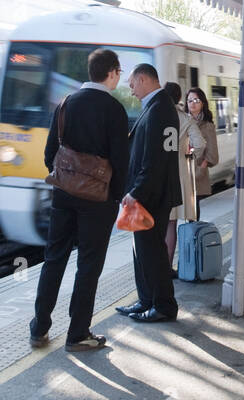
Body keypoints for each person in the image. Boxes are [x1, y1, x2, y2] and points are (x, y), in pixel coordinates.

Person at [30, 48, 129, 351]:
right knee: (88, 264)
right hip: (98, 201)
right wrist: (115, 198)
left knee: (54, 258)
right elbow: (121, 161)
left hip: (63, 194)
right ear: (111, 72)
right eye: (119, 73)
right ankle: (77, 333)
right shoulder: (114, 109)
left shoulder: (65, 104)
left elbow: (50, 154)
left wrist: (66, 180)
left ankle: (39, 327)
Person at [114, 63, 182, 323]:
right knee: (142, 252)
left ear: (143, 79)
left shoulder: (160, 110)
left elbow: (155, 160)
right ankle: (146, 300)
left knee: (152, 253)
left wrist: (137, 191)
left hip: (152, 196)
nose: (131, 91)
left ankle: (164, 305)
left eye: (131, 84)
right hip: (150, 194)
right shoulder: (158, 107)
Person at [164, 81, 196, 276]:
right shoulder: (185, 119)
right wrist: (189, 153)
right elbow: (199, 143)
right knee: (172, 223)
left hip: (160, 174)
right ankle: (167, 266)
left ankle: (156, 264)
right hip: (179, 176)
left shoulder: (156, 115)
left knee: (159, 222)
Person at [186, 87, 218, 219]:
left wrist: (202, 168)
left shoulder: (207, 125)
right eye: (189, 100)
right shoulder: (182, 121)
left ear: (202, 103)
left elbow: (212, 152)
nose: (192, 103)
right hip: (183, 170)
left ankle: (193, 236)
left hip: (197, 172)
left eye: (196, 100)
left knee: (193, 210)